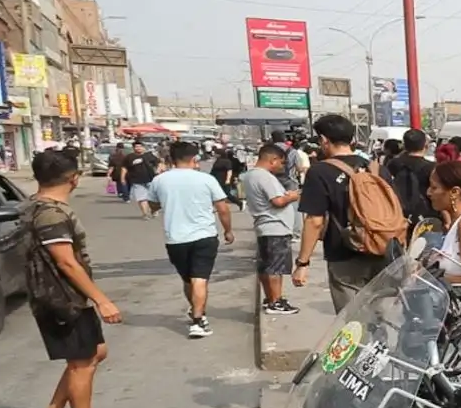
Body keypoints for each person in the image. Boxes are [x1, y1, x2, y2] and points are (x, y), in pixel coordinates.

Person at [21, 149, 129, 408]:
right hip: (61, 299)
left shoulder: (35, 205)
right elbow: (66, 263)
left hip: (62, 296)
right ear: (74, 178)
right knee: (83, 362)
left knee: (95, 352)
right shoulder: (51, 214)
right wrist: (102, 300)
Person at [294, 114, 390, 313]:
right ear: (352, 138)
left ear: (323, 140)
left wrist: (303, 262)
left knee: (351, 320)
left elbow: (314, 221)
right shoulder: (378, 169)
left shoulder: (319, 171)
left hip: (344, 253)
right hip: (383, 249)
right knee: (379, 316)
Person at [146, 141, 233, 339]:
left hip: (175, 238)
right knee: (199, 279)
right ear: (194, 158)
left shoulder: (159, 180)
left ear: (171, 158)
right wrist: (228, 230)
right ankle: (198, 320)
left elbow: (153, 205)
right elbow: (223, 208)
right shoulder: (206, 179)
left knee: (188, 279)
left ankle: (197, 312)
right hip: (204, 236)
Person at [241, 143, 302, 315]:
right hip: (276, 226)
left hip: (265, 226)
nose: (282, 167)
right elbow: (278, 201)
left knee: (266, 266)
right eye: (281, 163)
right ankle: (276, 301)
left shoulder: (250, 175)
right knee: (276, 267)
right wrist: (293, 196)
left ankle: (270, 299)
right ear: (273, 160)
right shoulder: (265, 177)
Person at [382, 129, 435, 224]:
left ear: (404, 145)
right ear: (425, 145)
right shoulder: (431, 167)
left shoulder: (393, 164)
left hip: (399, 213)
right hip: (427, 216)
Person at [123, 143, 159, 219]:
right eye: (136, 146)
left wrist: (157, 171)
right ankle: (145, 214)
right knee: (141, 198)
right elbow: (124, 168)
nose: (138, 148)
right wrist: (122, 177)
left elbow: (158, 163)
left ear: (143, 148)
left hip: (150, 179)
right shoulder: (129, 157)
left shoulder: (149, 155)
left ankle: (154, 210)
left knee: (153, 197)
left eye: (140, 146)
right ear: (133, 148)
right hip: (137, 181)